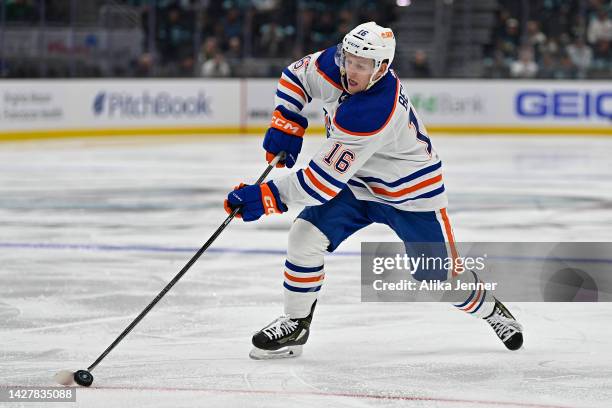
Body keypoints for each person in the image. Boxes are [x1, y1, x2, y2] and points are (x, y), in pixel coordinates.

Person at [224, 22, 524, 360]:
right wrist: (286, 119)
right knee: (304, 237)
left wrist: (264, 197)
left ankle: (490, 310)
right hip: (357, 184)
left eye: (361, 65)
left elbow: (319, 184)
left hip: (410, 194)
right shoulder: (334, 65)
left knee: (437, 277)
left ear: (381, 69)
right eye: (348, 59)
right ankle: (296, 325)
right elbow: (295, 77)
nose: (350, 69)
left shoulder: (373, 109)